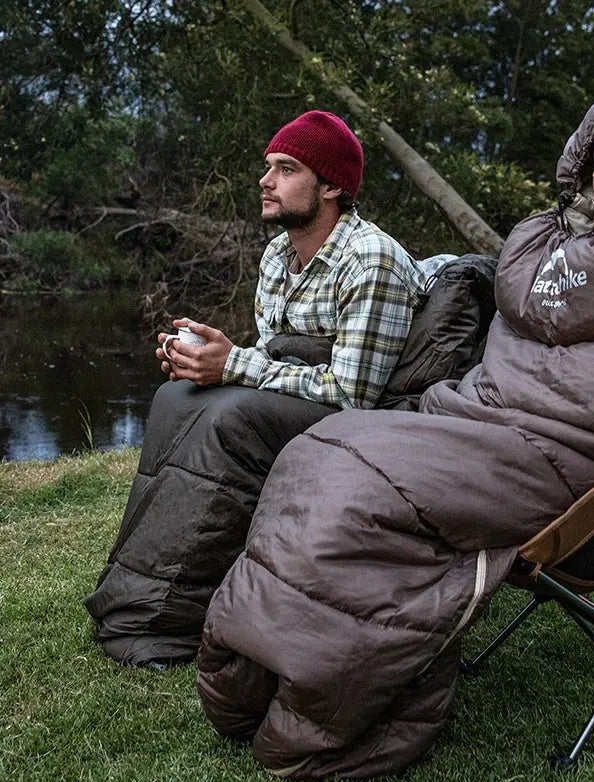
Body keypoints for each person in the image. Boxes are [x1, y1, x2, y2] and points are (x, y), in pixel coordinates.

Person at [195, 82, 594, 779]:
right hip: (490, 426)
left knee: (351, 475)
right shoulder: (593, 245)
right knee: (318, 451)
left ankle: (326, 715)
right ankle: (257, 680)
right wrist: (576, 220)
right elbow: (541, 296)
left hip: (566, 469)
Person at [84, 110, 429, 667]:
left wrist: (235, 366)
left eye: (286, 169)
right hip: (304, 400)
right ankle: (134, 590)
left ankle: (170, 618)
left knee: (231, 419)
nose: (266, 181)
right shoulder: (276, 255)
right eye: (268, 167)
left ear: (332, 186)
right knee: (175, 398)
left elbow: (352, 394)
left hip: (365, 422)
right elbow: (272, 356)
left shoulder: (372, 260)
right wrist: (205, 360)